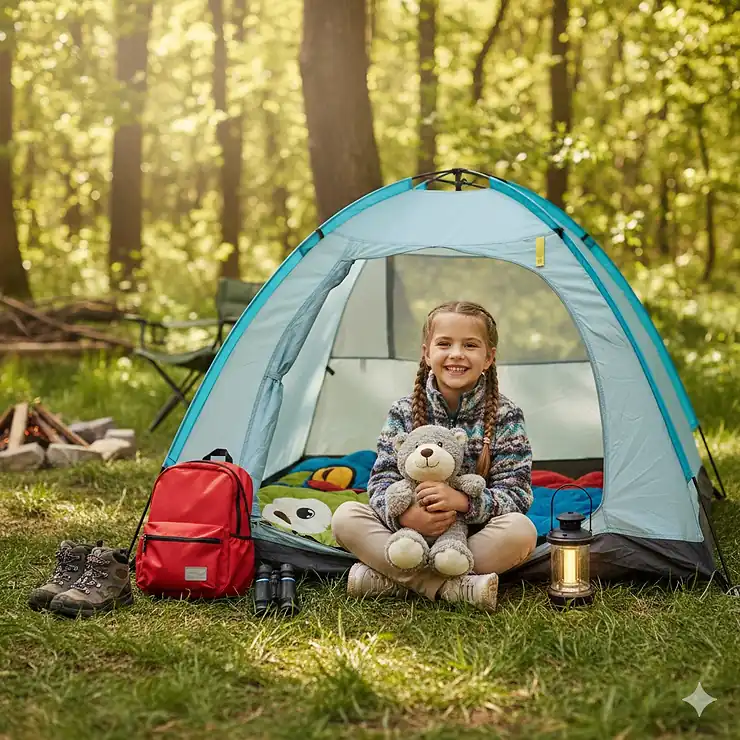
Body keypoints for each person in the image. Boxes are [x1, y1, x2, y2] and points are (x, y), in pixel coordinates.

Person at [332, 300, 537, 612]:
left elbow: (517, 493)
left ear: (489, 357)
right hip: (404, 535)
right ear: (427, 353)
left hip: (468, 539)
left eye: (470, 345)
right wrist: (405, 515)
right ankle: (451, 588)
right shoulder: (402, 411)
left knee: (522, 531)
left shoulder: (506, 416)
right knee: (345, 517)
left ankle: (392, 579)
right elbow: (380, 482)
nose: (456, 354)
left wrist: (463, 504)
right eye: (444, 344)